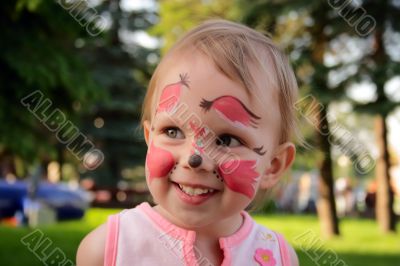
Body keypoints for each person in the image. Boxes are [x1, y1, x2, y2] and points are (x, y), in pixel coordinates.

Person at [77, 19, 299, 266]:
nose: (195, 158)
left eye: (227, 139)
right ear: (150, 140)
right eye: (173, 132)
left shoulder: (278, 256)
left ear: (273, 165)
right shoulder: (109, 250)